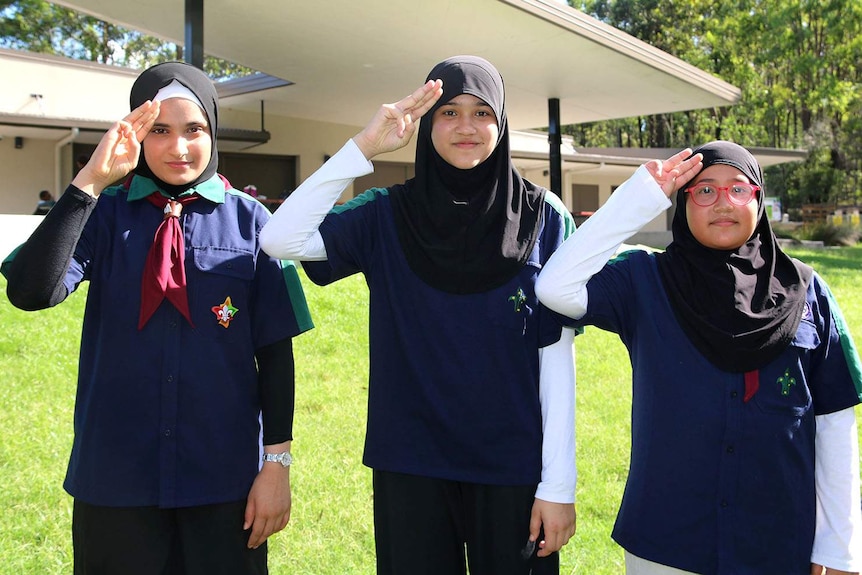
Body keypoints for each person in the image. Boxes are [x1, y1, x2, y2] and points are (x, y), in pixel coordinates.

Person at [259, 55, 578, 575]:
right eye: (448, 112)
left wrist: (558, 485)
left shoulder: (544, 217)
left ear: (501, 122)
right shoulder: (385, 212)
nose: (466, 127)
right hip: (410, 463)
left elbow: (556, 359)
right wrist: (363, 147)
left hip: (513, 467)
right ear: (426, 123)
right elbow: (279, 238)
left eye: (482, 112)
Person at [3, 61, 313, 575]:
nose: (178, 147)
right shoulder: (103, 214)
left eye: (195, 130)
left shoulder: (253, 222)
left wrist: (276, 466)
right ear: (137, 135)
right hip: (116, 479)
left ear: (213, 131)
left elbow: (275, 355)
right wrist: (89, 182)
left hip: (223, 481)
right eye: (159, 131)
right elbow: (30, 292)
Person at [535, 141, 862, 575]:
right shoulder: (644, 279)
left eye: (738, 189)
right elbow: (555, 288)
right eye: (704, 190)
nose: (722, 203)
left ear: (758, 199)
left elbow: (834, 422)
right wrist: (639, 197)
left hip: (777, 541)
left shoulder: (808, 290)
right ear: (681, 203)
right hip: (667, 541)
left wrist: (838, 549)